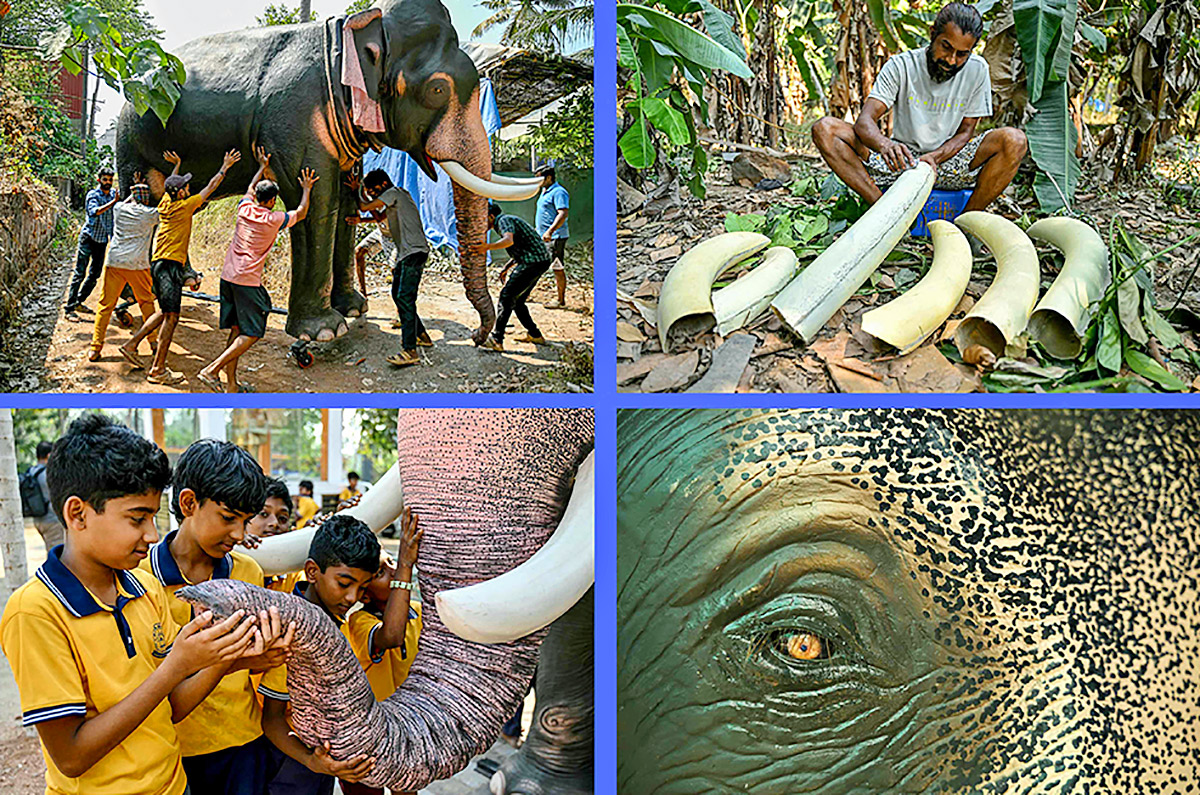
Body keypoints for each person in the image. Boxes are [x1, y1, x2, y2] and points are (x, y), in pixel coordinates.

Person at [0, 414, 264, 795]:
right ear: (78, 514)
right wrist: (176, 667)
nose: (152, 534)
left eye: (153, 517)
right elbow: (71, 756)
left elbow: (168, 709)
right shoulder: (36, 613)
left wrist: (221, 655)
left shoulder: (143, 588)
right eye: (137, 518)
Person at [138, 438, 293, 795]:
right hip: (173, 749)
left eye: (244, 520)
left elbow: (255, 661)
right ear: (189, 503)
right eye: (227, 518)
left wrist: (260, 657)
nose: (238, 534)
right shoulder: (140, 579)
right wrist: (231, 659)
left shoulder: (248, 572)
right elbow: (149, 681)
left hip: (241, 742)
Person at [259, 512, 422, 794]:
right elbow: (272, 720)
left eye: (361, 587)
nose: (352, 598)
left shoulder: (339, 622)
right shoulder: (292, 631)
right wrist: (311, 761)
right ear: (312, 572)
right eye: (344, 584)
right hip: (291, 763)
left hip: (325, 763)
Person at [810, 2, 1027, 212]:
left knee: (1015, 140)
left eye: (962, 54)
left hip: (951, 160)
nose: (951, 60)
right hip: (901, 161)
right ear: (933, 33)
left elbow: (966, 132)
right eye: (946, 47)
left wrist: (936, 157)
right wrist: (886, 146)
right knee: (825, 128)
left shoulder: (977, 69)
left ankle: (965, 226)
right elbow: (865, 121)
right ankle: (885, 213)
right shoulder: (901, 65)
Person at [197, 147, 317, 393]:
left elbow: (250, 188)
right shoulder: (273, 219)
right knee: (253, 332)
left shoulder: (244, 208)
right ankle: (212, 370)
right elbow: (302, 212)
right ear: (272, 201)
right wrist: (306, 189)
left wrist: (262, 167)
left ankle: (232, 385)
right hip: (246, 281)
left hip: (227, 277)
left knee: (237, 330)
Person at [123, 149, 242, 386]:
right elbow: (211, 186)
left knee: (165, 311)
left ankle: (131, 344)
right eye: (186, 187)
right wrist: (225, 166)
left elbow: (171, 184)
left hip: (159, 264)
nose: (189, 188)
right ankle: (157, 370)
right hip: (169, 267)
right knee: (172, 317)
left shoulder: (167, 201)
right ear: (181, 193)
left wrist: (176, 166)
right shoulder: (184, 206)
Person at [339, 511, 424, 795]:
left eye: (390, 563)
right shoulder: (360, 622)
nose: (391, 570)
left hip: (407, 728)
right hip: (365, 736)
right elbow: (392, 635)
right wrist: (405, 567)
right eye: (380, 572)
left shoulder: (420, 614)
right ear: (363, 594)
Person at [91, 164, 179, 363]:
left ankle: (95, 348)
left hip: (114, 262)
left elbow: (131, 200)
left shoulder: (118, 209)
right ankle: (153, 342)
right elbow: (165, 205)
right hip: (137, 265)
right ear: (146, 199)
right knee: (146, 303)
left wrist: (136, 187)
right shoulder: (149, 215)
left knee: (105, 305)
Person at [349, 170, 433, 368]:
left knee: (404, 297)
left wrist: (356, 189)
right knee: (398, 294)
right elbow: (377, 216)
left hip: (413, 252)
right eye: (369, 191)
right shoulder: (395, 197)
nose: (371, 194)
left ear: (384, 183)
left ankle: (409, 350)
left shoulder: (394, 192)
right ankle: (422, 335)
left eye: (372, 190)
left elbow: (363, 206)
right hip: (407, 253)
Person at [471, 202, 552, 353]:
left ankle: (497, 340)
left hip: (533, 263)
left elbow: (509, 241)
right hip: (539, 261)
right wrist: (507, 267)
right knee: (518, 302)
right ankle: (535, 335)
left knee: (506, 297)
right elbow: (522, 246)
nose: (481, 222)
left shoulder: (503, 221)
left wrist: (486, 247)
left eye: (483, 218)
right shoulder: (507, 221)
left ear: (491, 216)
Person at [65, 167, 119, 322]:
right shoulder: (93, 195)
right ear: (99, 180)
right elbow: (93, 211)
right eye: (105, 180)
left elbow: (120, 207)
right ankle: (69, 309)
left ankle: (78, 302)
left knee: (95, 275)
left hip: (102, 240)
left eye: (110, 180)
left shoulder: (114, 195)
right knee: (79, 273)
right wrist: (113, 202)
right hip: (88, 238)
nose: (107, 183)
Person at [534, 164, 569, 309]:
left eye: (539, 179)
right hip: (544, 236)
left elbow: (563, 213)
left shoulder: (559, 192)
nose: (537, 182)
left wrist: (549, 231)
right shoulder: (545, 191)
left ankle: (560, 301)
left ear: (548, 178)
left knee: (556, 267)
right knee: (536, 264)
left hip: (555, 237)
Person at [28, 441, 65, 555]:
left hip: (38, 519)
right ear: (49, 455)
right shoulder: (48, 473)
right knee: (59, 554)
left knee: (51, 550)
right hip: (52, 520)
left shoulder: (31, 472)